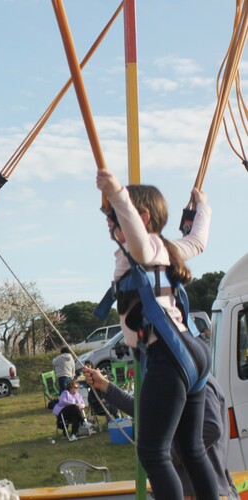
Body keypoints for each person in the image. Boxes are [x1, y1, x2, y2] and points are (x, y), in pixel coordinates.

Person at [96, 168, 217, 499]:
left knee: (153, 452)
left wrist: (118, 193)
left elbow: (134, 232)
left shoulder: (143, 246)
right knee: (191, 449)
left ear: (142, 217)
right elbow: (198, 240)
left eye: (115, 217)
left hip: (170, 354)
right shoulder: (166, 248)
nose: (110, 223)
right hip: (192, 350)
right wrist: (201, 207)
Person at [83, 366, 239, 500]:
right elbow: (147, 411)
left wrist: (168, 456)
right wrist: (106, 387)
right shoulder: (180, 382)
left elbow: (211, 428)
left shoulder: (196, 383)